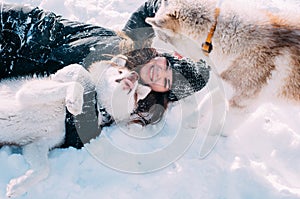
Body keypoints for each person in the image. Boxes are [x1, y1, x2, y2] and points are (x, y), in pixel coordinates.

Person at [0, 2, 210, 149]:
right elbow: (157, 5)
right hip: (19, 28)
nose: (160, 73)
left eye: (167, 81)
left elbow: (79, 134)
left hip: (9, 69)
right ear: (162, 56)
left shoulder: (123, 101)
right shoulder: (131, 43)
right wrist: (200, 28)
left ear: (160, 92)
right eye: (167, 65)